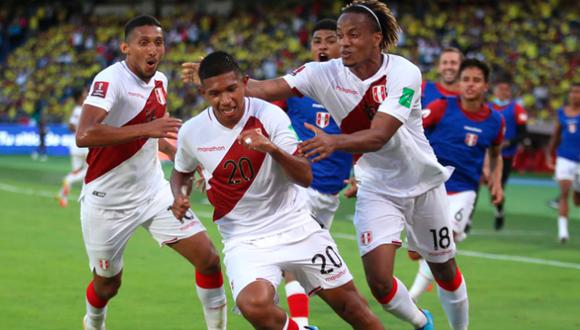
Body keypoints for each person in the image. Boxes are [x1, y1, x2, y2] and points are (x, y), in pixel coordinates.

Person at [181, 1, 469, 329]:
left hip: (423, 180)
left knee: (444, 268)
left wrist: (333, 142)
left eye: (352, 35)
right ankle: (422, 323)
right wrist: (218, 77)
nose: (344, 42)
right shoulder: (321, 74)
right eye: (340, 35)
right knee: (378, 283)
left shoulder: (404, 72)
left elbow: (379, 135)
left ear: (376, 38)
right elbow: (260, 89)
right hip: (376, 186)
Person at [172, 51, 383, 330]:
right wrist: (180, 195)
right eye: (214, 93)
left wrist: (271, 149)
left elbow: (305, 176)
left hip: (297, 226)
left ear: (244, 83)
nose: (225, 100)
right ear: (202, 93)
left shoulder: (269, 114)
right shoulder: (192, 131)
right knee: (253, 306)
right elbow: (181, 173)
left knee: (352, 307)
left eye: (232, 89)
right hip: (245, 239)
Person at [75, 16, 226, 330]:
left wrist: (174, 153)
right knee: (108, 284)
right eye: (144, 42)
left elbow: (157, 129)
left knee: (209, 259)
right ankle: (93, 321)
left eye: (158, 42)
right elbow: (85, 133)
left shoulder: (160, 81)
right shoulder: (110, 80)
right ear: (126, 47)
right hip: (108, 203)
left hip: (154, 193)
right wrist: (149, 128)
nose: (153, 49)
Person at [272, 18, 353, 328]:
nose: (322, 46)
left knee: (309, 270)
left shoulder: (353, 88)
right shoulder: (295, 86)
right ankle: (300, 324)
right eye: (317, 40)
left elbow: (367, 135)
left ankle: (291, 318)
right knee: (293, 262)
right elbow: (262, 109)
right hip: (298, 188)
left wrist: (359, 171)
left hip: (329, 194)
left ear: (342, 44)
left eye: (329, 40)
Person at [409, 59, 505, 301]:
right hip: (429, 186)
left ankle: (413, 298)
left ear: (485, 86)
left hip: (464, 190)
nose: (470, 85)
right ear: (459, 84)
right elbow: (411, 129)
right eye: (466, 80)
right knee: (416, 252)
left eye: (476, 80)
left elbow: (496, 154)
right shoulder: (441, 107)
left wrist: (496, 181)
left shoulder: (496, 121)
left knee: (444, 240)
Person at [488, 74, 528, 230]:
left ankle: (499, 211)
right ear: (495, 91)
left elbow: (524, 133)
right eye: (501, 89)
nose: (504, 92)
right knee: (475, 182)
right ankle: (467, 219)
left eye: (507, 90)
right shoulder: (488, 107)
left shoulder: (517, 108)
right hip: (487, 153)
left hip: (506, 155)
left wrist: (509, 142)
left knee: (498, 185)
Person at [546, 83, 580, 243]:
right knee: (564, 193)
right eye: (573, 92)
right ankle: (563, 232)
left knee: (577, 200)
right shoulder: (562, 112)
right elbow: (556, 135)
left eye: (578, 93)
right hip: (564, 157)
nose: (575, 95)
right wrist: (548, 153)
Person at [58, 87, 89, 207]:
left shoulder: (76, 109)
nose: (86, 95)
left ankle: (63, 196)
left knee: (76, 171)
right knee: (88, 171)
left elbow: (70, 126)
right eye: (84, 93)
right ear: (79, 97)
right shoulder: (81, 109)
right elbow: (72, 126)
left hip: (75, 145)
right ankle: (69, 180)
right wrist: (83, 131)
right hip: (84, 144)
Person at [421, 47, 462, 112]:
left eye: (453, 63)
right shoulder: (423, 88)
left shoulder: (467, 96)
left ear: (462, 67)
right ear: (438, 67)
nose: (449, 67)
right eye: (444, 63)